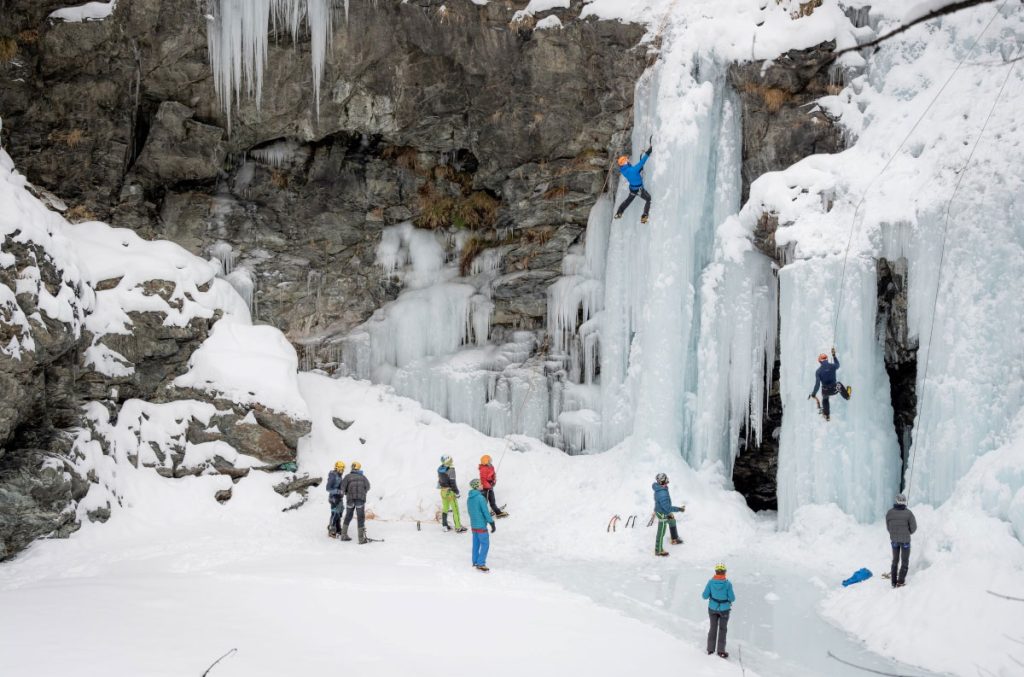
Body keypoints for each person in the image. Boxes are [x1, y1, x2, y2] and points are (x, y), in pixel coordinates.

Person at [702, 563, 735, 659]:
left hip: (712, 608)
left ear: (715, 572)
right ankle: (721, 651)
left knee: (713, 628)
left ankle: (710, 649)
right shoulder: (728, 584)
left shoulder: (710, 582)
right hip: (724, 609)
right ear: (725, 572)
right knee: (722, 629)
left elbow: (704, 596)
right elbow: (732, 598)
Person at [613, 145, 653, 224]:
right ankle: (644, 217)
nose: (628, 160)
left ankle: (619, 213)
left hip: (633, 189)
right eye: (626, 160)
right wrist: (648, 152)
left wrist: (638, 170)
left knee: (628, 201)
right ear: (625, 162)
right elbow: (642, 163)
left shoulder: (624, 170)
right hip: (639, 190)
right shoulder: (632, 170)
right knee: (648, 199)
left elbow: (632, 171)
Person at [809, 347, 851, 421]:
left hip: (825, 391)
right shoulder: (832, 366)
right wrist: (834, 356)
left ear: (819, 361)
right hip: (834, 389)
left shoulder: (818, 371)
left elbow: (817, 384)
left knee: (825, 399)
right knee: (839, 384)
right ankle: (847, 396)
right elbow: (838, 365)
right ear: (827, 359)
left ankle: (827, 415)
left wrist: (814, 394)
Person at [885, 493, 917, 587]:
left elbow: (888, 527)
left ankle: (893, 582)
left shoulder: (889, 513)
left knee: (895, 560)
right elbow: (914, 528)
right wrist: (907, 533)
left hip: (894, 540)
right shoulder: (909, 513)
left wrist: (894, 533)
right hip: (905, 541)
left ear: (896, 501)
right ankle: (900, 581)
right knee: (905, 561)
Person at [652, 472, 685, 556]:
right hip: (662, 513)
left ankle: (674, 539)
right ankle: (658, 550)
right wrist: (679, 509)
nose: (667, 480)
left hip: (662, 509)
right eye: (666, 479)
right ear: (663, 481)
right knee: (661, 531)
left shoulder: (660, 488)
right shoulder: (662, 493)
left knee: (672, 520)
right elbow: (667, 508)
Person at [467, 478, 496, 572]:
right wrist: (491, 522)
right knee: (485, 544)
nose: (482, 485)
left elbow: (470, 511)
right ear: (476, 486)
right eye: (480, 484)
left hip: (474, 526)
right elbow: (485, 512)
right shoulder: (480, 498)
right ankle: (480, 563)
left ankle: (475, 561)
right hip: (481, 526)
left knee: (476, 544)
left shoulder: (469, 498)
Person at [340, 462, 371, 544]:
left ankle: (343, 535)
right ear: (359, 468)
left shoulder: (347, 477)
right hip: (360, 500)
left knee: (348, 516)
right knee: (360, 518)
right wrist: (363, 492)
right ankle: (361, 539)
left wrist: (347, 492)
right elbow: (368, 487)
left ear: (352, 468)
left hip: (350, 499)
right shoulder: (363, 477)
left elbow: (342, 487)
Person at [437, 455, 467, 533]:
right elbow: (453, 483)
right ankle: (458, 527)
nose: (452, 461)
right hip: (450, 492)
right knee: (455, 509)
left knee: (445, 508)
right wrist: (457, 492)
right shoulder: (451, 470)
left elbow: (439, 480)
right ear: (448, 461)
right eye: (450, 460)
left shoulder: (440, 469)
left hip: (443, 492)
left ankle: (445, 525)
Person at [326, 460, 345, 538]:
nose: (342, 471)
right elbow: (328, 488)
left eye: (343, 469)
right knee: (335, 513)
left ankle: (338, 529)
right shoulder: (333, 476)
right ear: (336, 468)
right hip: (333, 497)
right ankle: (332, 530)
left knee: (339, 513)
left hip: (339, 497)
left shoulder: (339, 475)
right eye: (340, 469)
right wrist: (338, 491)